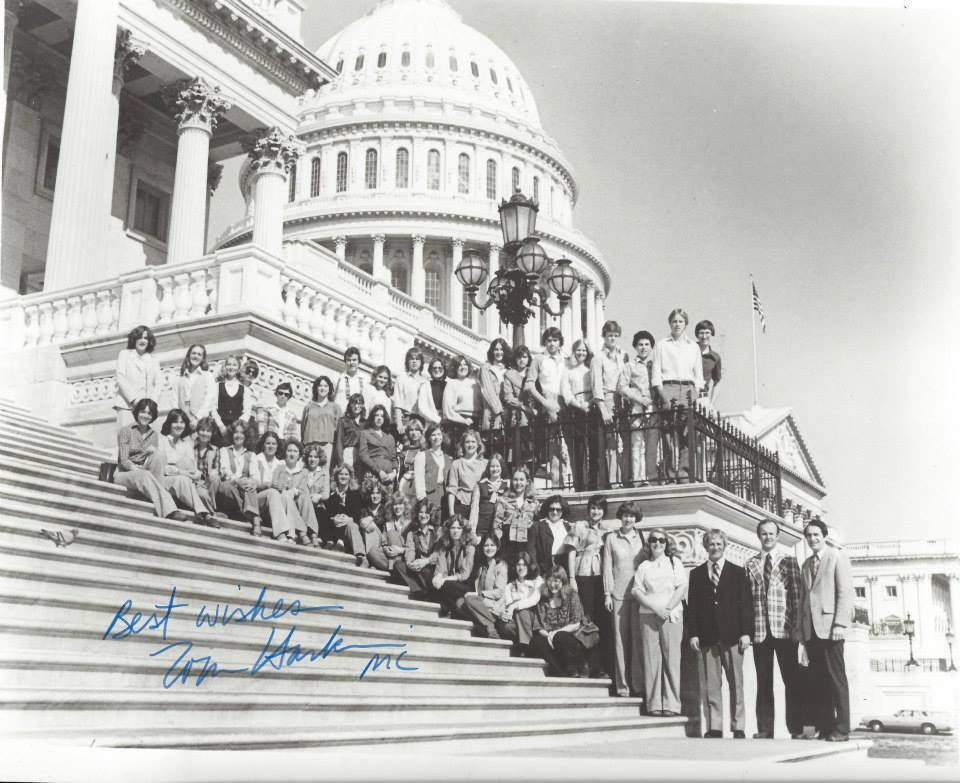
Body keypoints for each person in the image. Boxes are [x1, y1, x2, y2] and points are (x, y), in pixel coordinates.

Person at [687, 529, 754, 738]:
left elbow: (746, 605)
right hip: (708, 637)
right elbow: (693, 607)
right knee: (712, 684)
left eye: (718, 544)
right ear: (705, 547)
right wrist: (694, 633)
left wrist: (746, 633)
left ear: (724, 546)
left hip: (733, 636)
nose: (714, 548)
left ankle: (738, 726)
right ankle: (715, 726)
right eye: (711, 544)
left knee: (736, 683)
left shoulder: (737, 572)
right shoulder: (696, 574)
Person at [746, 520, 804, 739]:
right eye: (763, 533)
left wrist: (797, 627)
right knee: (763, 681)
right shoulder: (750, 564)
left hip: (785, 629)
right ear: (758, 536)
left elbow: (797, 596)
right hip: (760, 630)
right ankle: (765, 728)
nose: (767, 537)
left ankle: (796, 728)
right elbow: (748, 599)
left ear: (777, 536)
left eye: (771, 533)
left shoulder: (788, 561)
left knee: (792, 679)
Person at [800, 519, 853, 742]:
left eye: (816, 535)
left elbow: (845, 592)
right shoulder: (805, 564)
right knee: (819, 681)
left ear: (823, 536)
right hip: (812, 630)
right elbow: (805, 598)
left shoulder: (836, 557)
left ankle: (842, 729)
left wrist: (840, 623)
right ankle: (825, 726)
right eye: (809, 535)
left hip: (832, 629)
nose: (812, 539)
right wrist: (802, 633)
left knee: (836, 679)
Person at [632, 526, 687, 716]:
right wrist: (655, 608)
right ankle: (654, 703)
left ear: (667, 543)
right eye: (653, 540)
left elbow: (681, 588)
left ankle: (672, 704)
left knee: (671, 659)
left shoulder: (674, 563)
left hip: (671, 616)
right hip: (648, 615)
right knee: (651, 659)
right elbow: (636, 590)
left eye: (661, 540)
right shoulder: (643, 566)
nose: (657, 543)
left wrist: (667, 608)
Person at [115, 398, 190, 522]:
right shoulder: (125, 431)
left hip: (144, 473)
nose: (145, 415)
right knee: (144, 475)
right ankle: (170, 510)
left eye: (149, 413)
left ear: (153, 416)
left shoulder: (153, 434)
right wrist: (137, 470)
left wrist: (151, 455)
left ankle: (155, 497)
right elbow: (123, 460)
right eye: (143, 412)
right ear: (137, 412)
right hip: (125, 473)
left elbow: (152, 461)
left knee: (159, 454)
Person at [651, 309, 704, 482]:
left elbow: (699, 375)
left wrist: (695, 391)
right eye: (674, 321)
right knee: (668, 433)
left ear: (685, 324)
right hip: (669, 386)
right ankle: (670, 473)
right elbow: (656, 375)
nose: (677, 324)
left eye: (680, 321)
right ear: (670, 323)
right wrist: (663, 395)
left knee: (688, 433)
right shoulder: (662, 345)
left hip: (688, 389)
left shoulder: (693, 346)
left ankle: (684, 472)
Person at [602, 499, 646, 697]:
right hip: (618, 595)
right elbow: (607, 569)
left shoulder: (643, 538)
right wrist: (607, 594)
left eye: (632, 516)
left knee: (637, 640)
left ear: (636, 518)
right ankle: (622, 687)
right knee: (620, 642)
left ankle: (638, 686)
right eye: (625, 515)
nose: (628, 519)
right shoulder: (611, 538)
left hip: (638, 596)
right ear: (620, 517)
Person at [566, 494, 609, 677]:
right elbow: (570, 552)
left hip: (600, 577)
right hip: (582, 575)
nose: (596, 511)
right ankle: (581, 664)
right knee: (584, 620)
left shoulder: (607, 531)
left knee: (599, 621)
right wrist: (571, 578)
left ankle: (597, 666)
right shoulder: (579, 526)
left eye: (599, 508)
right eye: (593, 507)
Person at [531, 566, 593, 678]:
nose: (552, 584)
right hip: (550, 638)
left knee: (560, 636)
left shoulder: (571, 595)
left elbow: (576, 623)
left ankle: (579, 666)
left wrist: (555, 633)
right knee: (537, 642)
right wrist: (549, 635)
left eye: (556, 581)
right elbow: (538, 626)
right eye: (549, 580)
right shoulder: (543, 599)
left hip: (570, 638)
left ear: (563, 581)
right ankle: (560, 672)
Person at [158, 408, 216, 526]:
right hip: (165, 480)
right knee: (183, 478)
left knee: (201, 492)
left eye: (182, 422)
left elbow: (194, 470)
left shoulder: (187, 445)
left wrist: (196, 474)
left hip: (187, 481)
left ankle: (205, 513)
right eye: (175, 422)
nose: (179, 425)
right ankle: (204, 513)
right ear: (169, 424)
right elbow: (162, 468)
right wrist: (182, 472)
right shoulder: (161, 441)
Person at [524, 327, 566, 485]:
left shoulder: (565, 359)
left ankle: (569, 484)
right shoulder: (539, 359)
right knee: (554, 448)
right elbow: (529, 385)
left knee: (566, 447)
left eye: (555, 340)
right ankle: (556, 486)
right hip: (549, 401)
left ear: (560, 342)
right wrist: (544, 402)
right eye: (549, 340)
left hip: (565, 402)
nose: (552, 344)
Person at [619, 330, 659, 486]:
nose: (643, 347)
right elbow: (622, 387)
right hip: (637, 408)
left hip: (654, 408)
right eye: (640, 344)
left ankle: (652, 478)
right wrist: (638, 398)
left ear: (651, 347)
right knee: (637, 444)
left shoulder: (655, 365)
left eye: (647, 344)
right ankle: (638, 479)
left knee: (652, 445)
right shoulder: (630, 366)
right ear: (635, 346)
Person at [591, 320, 628, 488]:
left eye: (615, 336)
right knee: (610, 442)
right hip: (607, 398)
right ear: (604, 336)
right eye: (609, 336)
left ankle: (625, 478)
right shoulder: (598, 358)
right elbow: (596, 385)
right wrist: (603, 409)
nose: (612, 339)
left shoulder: (622, 355)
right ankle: (613, 482)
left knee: (624, 440)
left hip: (622, 399)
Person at [216, 419, 263, 533]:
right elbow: (225, 471)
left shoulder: (251, 455)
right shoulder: (224, 451)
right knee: (228, 486)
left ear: (246, 436)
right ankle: (253, 515)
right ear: (232, 434)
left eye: (242, 433)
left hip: (244, 490)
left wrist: (250, 482)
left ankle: (252, 516)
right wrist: (238, 481)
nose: (239, 435)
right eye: (236, 432)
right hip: (228, 487)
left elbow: (256, 478)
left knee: (250, 484)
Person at [270, 438, 320, 547]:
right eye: (289, 451)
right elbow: (275, 485)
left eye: (295, 451)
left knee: (305, 498)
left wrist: (294, 491)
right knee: (286, 496)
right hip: (281, 506)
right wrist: (288, 491)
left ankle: (313, 534)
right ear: (285, 453)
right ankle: (303, 534)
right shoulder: (279, 468)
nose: (292, 454)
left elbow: (303, 490)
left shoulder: (303, 472)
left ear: (299, 455)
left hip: (297, 505)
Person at [491, 552, 542, 651]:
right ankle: (522, 643)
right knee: (505, 625)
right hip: (516, 620)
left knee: (522, 611)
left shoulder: (537, 581)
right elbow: (508, 603)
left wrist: (515, 605)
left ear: (529, 566)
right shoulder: (510, 586)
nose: (521, 568)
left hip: (533, 619)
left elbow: (534, 600)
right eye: (518, 564)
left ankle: (526, 646)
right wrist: (504, 614)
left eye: (524, 565)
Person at [560, 338, 593, 490]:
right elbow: (566, 394)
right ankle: (580, 484)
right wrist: (579, 405)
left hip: (591, 408)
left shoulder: (591, 371)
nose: (581, 353)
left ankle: (593, 483)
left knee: (592, 448)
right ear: (574, 352)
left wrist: (590, 403)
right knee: (578, 450)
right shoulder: (568, 372)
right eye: (578, 350)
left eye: (584, 350)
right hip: (575, 410)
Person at [428, 514, 477, 618]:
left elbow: (465, 575)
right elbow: (441, 569)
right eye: (453, 528)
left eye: (459, 528)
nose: (455, 531)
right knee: (432, 582)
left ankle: (448, 608)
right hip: (449, 584)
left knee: (446, 585)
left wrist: (445, 580)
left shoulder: (469, 548)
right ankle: (450, 608)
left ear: (464, 530)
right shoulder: (444, 546)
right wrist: (437, 578)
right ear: (448, 530)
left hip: (464, 585)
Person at [461, 534, 509, 638]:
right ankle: (485, 624)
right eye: (486, 545)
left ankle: (491, 628)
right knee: (459, 603)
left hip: (492, 603)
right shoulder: (481, 565)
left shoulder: (500, 565)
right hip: (480, 602)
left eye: (492, 545)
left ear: (497, 547)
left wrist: (479, 594)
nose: (489, 548)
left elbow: (499, 592)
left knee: (469, 600)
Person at [255, 431, 297, 543]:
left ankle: (291, 535)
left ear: (277, 446)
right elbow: (254, 482)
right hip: (257, 499)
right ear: (263, 444)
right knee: (272, 492)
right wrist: (269, 484)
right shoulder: (256, 459)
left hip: (274, 501)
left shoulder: (280, 464)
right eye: (268, 443)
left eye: (274, 444)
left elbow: (282, 484)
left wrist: (281, 486)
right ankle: (280, 534)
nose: (271, 446)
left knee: (286, 495)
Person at [115, 325, 161, 427]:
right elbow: (120, 377)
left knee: (144, 440)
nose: (142, 340)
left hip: (146, 410)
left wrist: (151, 404)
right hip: (127, 405)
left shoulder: (154, 360)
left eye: (146, 338)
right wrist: (134, 400)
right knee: (125, 438)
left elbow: (158, 384)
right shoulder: (124, 354)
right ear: (134, 339)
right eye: (140, 337)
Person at [319, 463, 365, 562]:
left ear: (350, 477)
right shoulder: (331, 495)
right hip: (334, 528)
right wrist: (333, 519)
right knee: (321, 511)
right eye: (341, 474)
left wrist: (350, 519)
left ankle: (341, 543)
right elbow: (328, 514)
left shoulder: (355, 494)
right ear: (336, 476)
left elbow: (358, 513)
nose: (343, 476)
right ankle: (329, 542)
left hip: (347, 531)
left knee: (344, 516)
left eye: (346, 474)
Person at [493, 465, 538, 565]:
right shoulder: (503, 501)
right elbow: (497, 526)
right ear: (511, 482)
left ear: (527, 482)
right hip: (508, 547)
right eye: (515, 480)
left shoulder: (533, 503)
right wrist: (499, 546)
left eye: (522, 479)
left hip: (526, 548)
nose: (518, 483)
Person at [501, 344, 534, 471]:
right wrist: (521, 405)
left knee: (531, 450)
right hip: (518, 415)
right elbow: (508, 397)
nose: (522, 360)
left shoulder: (532, 373)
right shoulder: (509, 374)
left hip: (532, 415)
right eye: (519, 357)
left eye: (524, 357)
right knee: (517, 450)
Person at [398, 498, 439, 598]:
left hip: (432, 566)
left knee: (426, 572)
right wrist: (410, 563)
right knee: (399, 565)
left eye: (427, 512)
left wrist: (426, 561)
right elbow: (410, 550)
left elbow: (439, 553)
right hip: (418, 566)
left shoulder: (438, 531)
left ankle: (428, 591)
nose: (423, 515)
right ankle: (417, 589)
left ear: (431, 514)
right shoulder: (412, 533)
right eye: (421, 512)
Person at [300, 375, 341, 473]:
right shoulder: (308, 406)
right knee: (307, 473)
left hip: (327, 446)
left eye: (326, 386)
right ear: (316, 388)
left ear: (330, 389)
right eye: (320, 386)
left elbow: (339, 429)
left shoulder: (335, 407)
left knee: (323, 474)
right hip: (310, 445)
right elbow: (302, 427)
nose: (323, 388)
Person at [526, 494, 573, 579]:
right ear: (547, 510)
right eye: (552, 509)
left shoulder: (567, 526)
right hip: (545, 568)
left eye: (558, 510)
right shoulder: (537, 526)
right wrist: (537, 572)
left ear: (563, 511)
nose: (555, 512)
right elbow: (531, 551)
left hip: (564, 567)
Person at [212, 354, 253, 447]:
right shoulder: (218, 386)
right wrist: (220, 426)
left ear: (239, 368)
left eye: (234, 365)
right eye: (229, 364)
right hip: (219, 429)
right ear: (225, 367)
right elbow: (213, 408)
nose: (231, 367)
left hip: (237, 431)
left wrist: (237, 428)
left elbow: (247, 411)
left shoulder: (244, 389)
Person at [445, 428, 487, 519]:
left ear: (478, 444)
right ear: (463, 445)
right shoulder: (456, 464)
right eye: (467, 442)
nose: (470, 445)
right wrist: (451, 513)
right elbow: (452, 490)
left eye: (473, 442)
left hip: (480, 506)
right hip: (462, 505)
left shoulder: (485, 464)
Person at [442, 354, 481, 447]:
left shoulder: (475, 384)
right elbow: (448, 410)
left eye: (465, 365)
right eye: (460, 365)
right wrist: (463, 421)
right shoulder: (452, 383)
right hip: (459, 423)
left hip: (476, 422)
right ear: (455, 368)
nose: (463, 367)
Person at [414, 423, 451, 515]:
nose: (436, 437)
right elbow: (419, 480)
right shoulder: (422, 456)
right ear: (429, 438)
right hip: (429, 498)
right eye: (433, 435)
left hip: (445, 499)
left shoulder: (448, 458)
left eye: (439, 434)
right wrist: (423, 502)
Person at [468, 452, 507, 541]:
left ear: (502, 467)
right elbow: (474, 509)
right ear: (488, 468)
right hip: (482, 529)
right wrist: (472, 532)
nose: (495, 469)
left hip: (500, 530)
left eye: (498, 466)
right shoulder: (480, 485)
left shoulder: (507, 486)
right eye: (492, 466)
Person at [177, 344, 216, 431]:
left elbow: (209, 399)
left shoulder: (208, 375)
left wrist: (197, 418)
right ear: (189, 355)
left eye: (199, 354)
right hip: (182, 421)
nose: (196, 356)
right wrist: (179, 419)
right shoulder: (180, 378)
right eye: (193, 353)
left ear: (203, 358)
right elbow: (175, 400)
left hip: (201, 421)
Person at [356, 404, 397, 486]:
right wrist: (379, 471)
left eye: (382, 416)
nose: (379, 418)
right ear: (372, 417)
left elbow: (393, 458)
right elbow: (363, 455)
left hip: (389, 475)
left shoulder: (390, 437)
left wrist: (394, 473)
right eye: (376, 415)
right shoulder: (365, 433)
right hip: (372, 474)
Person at [192, 415, 221, 523]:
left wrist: (212, 475)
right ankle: (211, 513)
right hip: (194, 481)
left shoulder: (215, 449)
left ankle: (206, 506)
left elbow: (216, 469)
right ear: (198, 431)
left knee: (215, 476)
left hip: (207, 484)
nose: (205, 433)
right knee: (202, 494)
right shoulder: (190, 445)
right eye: (202, 430)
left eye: (208, 431)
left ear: (212, 433)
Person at [479, 338, 511, 431]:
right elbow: (488, 391)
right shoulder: (486, 368)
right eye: (496, 349)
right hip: (493, 413)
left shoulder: (508, 370)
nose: (499, 352)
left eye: (501, 349)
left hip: (508, 413)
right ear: (492, 352)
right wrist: (499, 411)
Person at [393, 347, 425, 435]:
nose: (414, 361)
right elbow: (398, 403)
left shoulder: (425, 381)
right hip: (406, 418)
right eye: (411, 359)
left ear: (421, 362)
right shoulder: (401, 379)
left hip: (422, 420)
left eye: (417, 359)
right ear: (407, 362)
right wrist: (399, 423)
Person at [396, 413, 424, 507]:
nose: (414, 433)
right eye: (411, 430)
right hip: (405, 483)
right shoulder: (404, 450)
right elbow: (401, 471)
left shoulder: (425, 450)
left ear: (421, 432)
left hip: (419, 484)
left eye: (417, 430)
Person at [332, 392, 365, 470]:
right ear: (350, 405)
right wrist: (341, 462)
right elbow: (339, 442)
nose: (356, 406)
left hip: (360, 457)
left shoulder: (365, 423)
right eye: (354, 403)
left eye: (359, 403)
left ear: (363, 405)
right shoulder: (343, 421)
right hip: (347, 454)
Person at [695, 319, 722, 409]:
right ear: (697, 335)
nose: (704, 336)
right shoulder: (689, 351)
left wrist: (711, 404)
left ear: (711, 334)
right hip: (686, 397)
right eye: (701, 333)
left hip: (702, 399)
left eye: (707, 333)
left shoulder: (715, 357)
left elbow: (717, 382)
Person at [302, 443, 331, 524]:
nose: (312, 459)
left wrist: (318, 496)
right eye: (310, 456)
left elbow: (326, 494)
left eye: (316, 457)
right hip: (303, 506)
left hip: (317, 506)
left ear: (320, 459)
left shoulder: (324, 474)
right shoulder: (302, 472)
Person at [416, 357, 448, 429]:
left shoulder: (449, 386)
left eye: (440, 368)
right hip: (430, 424)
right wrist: (439, 420)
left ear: (444, 369)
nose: (437, 370)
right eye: (434, 368)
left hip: (447, 425)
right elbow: (421, 408)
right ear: (430, 370)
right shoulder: (425, 385)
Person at [333, 346, 367, 412]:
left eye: (354, 360)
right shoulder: (338, 379)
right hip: (341, 417)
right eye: (349, 360)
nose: (351, 363)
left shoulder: (365, 380)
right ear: (345, 362)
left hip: (358, 418)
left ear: (359, 361)